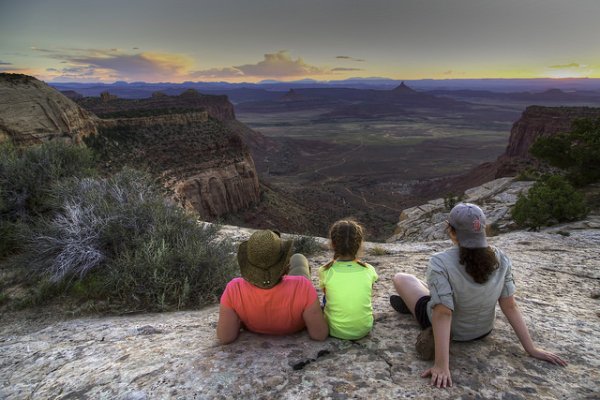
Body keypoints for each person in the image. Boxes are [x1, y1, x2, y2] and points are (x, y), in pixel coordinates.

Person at [391, 203, 567, 388]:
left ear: (451, 230)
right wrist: (531, 349)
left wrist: (442, 365)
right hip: (483, 330)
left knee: (402, 278)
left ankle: (413, 306)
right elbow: (510, 306)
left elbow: (443, 313)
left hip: (452, 330)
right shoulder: (502, 258)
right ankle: (425, 298)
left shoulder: (439, 262)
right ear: (483, 228)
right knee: (434, 292)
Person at [217, 229, 328, 344]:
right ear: (284, 264)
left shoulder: (234, 289)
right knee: (298, 258)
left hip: (254, 324)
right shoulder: (302, 286)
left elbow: (225, 337)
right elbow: (319, 334)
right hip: (294, 288)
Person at [318, 219, 378, 340]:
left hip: (335, 330)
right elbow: (369, 291)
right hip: (365, 328)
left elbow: (327, 295)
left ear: (332, 244)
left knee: (326, 296)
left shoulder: (325, 270)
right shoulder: (369, 269)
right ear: (359, 244)